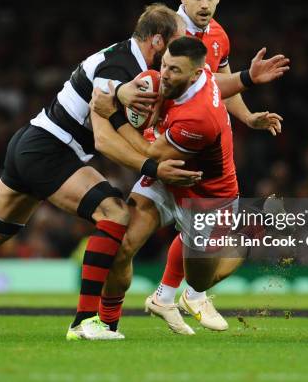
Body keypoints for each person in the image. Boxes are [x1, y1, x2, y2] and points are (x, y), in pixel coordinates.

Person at [0, 3, 204, 341]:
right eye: (177, 42)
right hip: (50, 149)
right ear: (158, 41)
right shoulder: (121, 66)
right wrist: (152, 167)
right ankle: (84, 322)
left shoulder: (124, 61)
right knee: (114, 213)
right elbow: (102, 140)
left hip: (31, 143)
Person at [91, 35, 289, 336]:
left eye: (174, 71)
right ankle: (106, 324)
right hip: (169, 178)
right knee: (124, 244)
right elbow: (217, 84)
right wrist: (248, 78)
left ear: (194, 74)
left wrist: (114, 115)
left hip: (209, 197)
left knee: (201, 282)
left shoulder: (198, 118)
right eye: (165, 65)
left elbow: (150, 154)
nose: (165, 75)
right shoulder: (196, 77)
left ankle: (250, 230)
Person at [152, 0, 284, 332]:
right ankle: (103, 317)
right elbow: (149, 82)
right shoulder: (166, 33)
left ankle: (168, 297)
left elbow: (221, 86)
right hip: (170, 139)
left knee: (204, 228)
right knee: (144, 224)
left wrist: (247, 117)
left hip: (208, 140)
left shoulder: (218, 37)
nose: (205, 4)